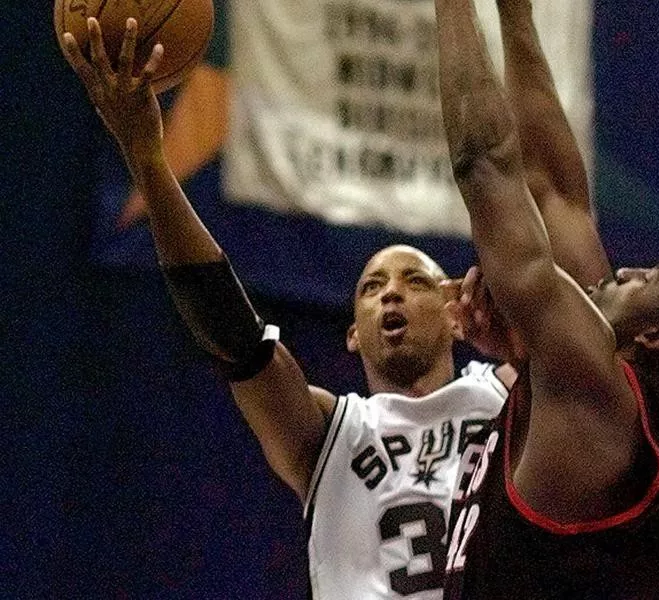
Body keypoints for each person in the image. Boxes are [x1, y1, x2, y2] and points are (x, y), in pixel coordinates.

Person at [61, 17, 513, 599]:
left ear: (456, 311)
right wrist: (147, 158)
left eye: (415, 282)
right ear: (353, 334)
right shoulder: (331, 434)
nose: (392, 293)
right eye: (372, 287)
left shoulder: (509, 396)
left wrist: (522, 346)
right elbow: (233, 336)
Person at [433, 0, 659, 598]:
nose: (627, 269)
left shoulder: (596, 388)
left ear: (656, 335)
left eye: (648, 277)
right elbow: (556, 192)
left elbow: (484, 168)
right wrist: (516, 15)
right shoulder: (638, 399)